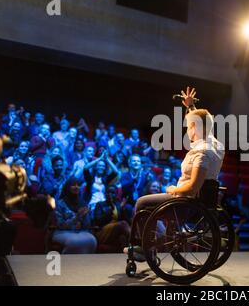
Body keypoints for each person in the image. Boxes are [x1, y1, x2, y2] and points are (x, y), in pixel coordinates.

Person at [125, 87, 225, 260]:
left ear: (195, 128)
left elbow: (192, 188)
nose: (187, 130)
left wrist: (172, 190)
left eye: (189, 126)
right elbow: (204, 124)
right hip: (198, 202)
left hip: (185, 203)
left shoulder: (201, 152)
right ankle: (149, 246)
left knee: (141, 204)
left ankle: (144, 248)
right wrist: (191, 106)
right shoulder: (216, 145)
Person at [52, 178, 97, 254]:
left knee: (92, 240)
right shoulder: (60, 203)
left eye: (78, 185)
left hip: (79, 232)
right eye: (73, 185)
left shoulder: (83, 203)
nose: (76, 187)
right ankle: (67, 262)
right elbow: (60, 225)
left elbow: (87, 226)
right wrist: (76, 218)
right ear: (67, 187)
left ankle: (84, 263)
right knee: (74, 241)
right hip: (62, 232)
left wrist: (85, 216)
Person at [93, 184, 132, 251]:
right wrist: (110, 209)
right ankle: (135, 243)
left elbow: (128, 222)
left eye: (113, 193)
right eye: (108, 192)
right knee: (122, 224)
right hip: (103, 230)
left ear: (116, 195)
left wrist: (123, 209)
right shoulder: (100, 204)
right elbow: (98, 221)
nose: (110, 194)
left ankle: (130, 246)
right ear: (105, 194)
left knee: (124, 230)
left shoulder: (118, 205)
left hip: (115, 230)